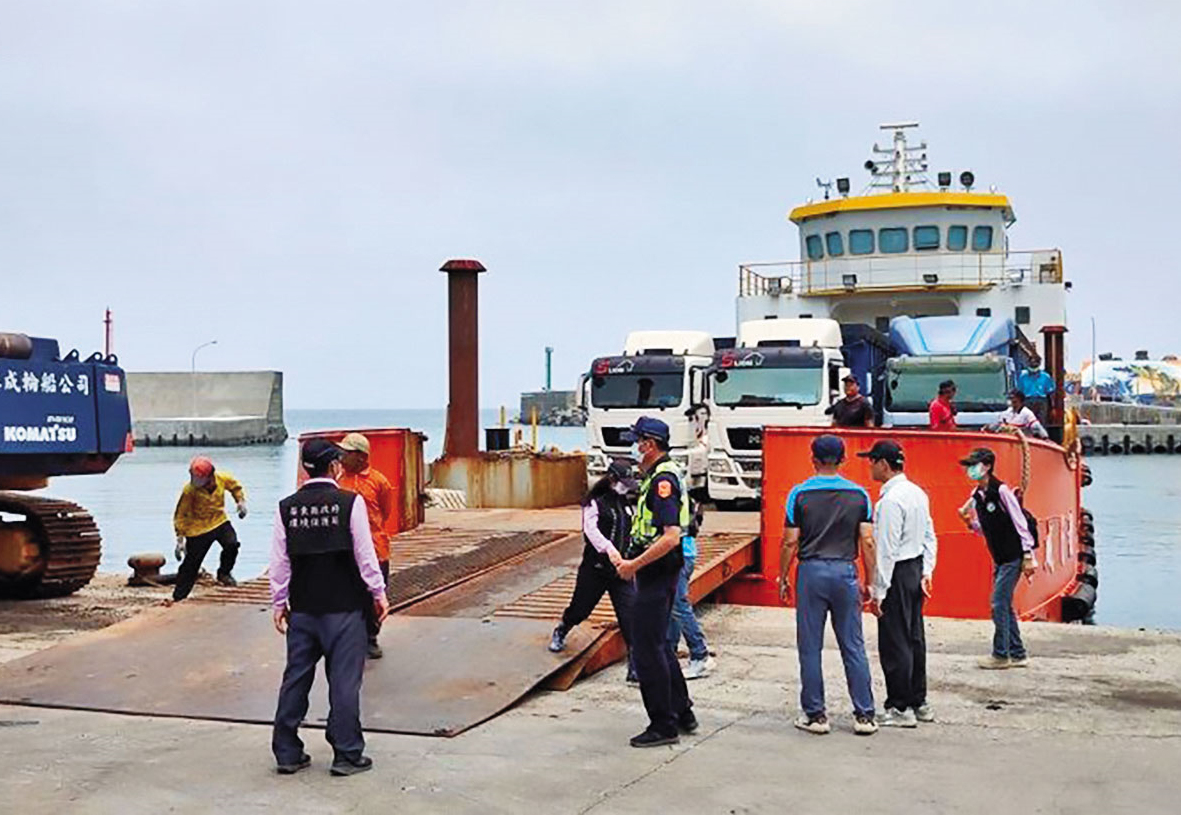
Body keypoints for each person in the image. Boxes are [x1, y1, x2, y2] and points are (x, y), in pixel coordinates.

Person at [270, 438, 389, 776]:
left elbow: (280, 562)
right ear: (334, 465)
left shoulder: (286, 507)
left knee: (296, 678)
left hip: (303, 610)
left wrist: (280, 602)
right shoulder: (349, 503)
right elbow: (365, 555)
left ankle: (287, 752)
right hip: (345, 608)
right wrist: (378, 593)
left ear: (305, 468)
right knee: (344, 682)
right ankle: (347, 753)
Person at [779, 434, 878, 736]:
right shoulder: (860, 495)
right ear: (843, 460)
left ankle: (816, 715)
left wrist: (783, 576)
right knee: (853, 644)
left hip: (810, 572)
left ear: (814, 459)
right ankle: (864, 716)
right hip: (845, 571)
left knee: (810, 646)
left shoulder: (799, 494)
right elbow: (868, 540)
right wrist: (870, 581)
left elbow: (790, 542)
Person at [613, 416, 696, 748]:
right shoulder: (663, 474)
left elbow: (671, 536)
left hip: (656, 572)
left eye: (637, 442)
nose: (635, 448)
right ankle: (682, 712)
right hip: (660, 572)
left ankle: (662, 724)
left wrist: (632, 565)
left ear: (649, 444)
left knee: (646, 650)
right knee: (660, 643)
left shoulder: (663, 481)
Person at [859, 440, 937, 728]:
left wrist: (878, 591)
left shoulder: (890, 501)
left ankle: (899, 706)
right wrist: (927, 571)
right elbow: (930, 535)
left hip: (897, 572)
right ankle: (919, 701)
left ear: (883, 463)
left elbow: (886, 549)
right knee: (915, 637)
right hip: (914, 568)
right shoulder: (917, 493)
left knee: (895, 641)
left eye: (872, 461)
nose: (870, 467)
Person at [549, 459, 638, 682]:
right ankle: (562, 629)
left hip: (621, 571)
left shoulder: (625, 503)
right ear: (612, 479)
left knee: (631, 617)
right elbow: (591, 531)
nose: (626, 487)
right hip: (595, 568)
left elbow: (631, 530)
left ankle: (635, 667)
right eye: (623, 483)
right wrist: (609, 550)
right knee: (580, 609)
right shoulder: (594, 502)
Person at [957, 448, 1036, 670]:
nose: (971, 469)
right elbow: (989, 527)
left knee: (998, 603)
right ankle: (1018, 652)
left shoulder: (1001, 491)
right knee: (1005, 605)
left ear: (988, 466)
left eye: (975, 465)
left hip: (1013, 556)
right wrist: (970, 524)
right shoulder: (977, 496)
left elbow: (1019, 522)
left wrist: (1028, 555)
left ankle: (1001, 654)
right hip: (1000, 556)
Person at [337, 432, 395, 660]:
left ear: (361, 457)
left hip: (375, 547)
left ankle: (371, 637)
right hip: (346, 549)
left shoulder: (379, 481)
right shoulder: (339, 480)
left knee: (374, 594)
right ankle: (350, 636)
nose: (341, 457)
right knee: (347, 593)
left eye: (346, 453)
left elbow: (385, 511)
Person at [171, 456, 247, 601]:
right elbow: (181, 514)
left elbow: (235, 487)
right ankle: (179, 596)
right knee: (191, 564)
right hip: (197, 529)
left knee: (232, 544)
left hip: (219, 521)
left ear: (211, 475)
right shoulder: (189, 491)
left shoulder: (222, 479)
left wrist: (240, 501)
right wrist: (180, 538)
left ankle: (224, 573)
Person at [667, 500, 713, 680]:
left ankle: (699, 654)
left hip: (679, 555)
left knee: (678, 605)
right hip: (684, 553)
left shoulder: (669, 488)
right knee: (673, 605)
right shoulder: (683, 494)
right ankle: (670, 653)